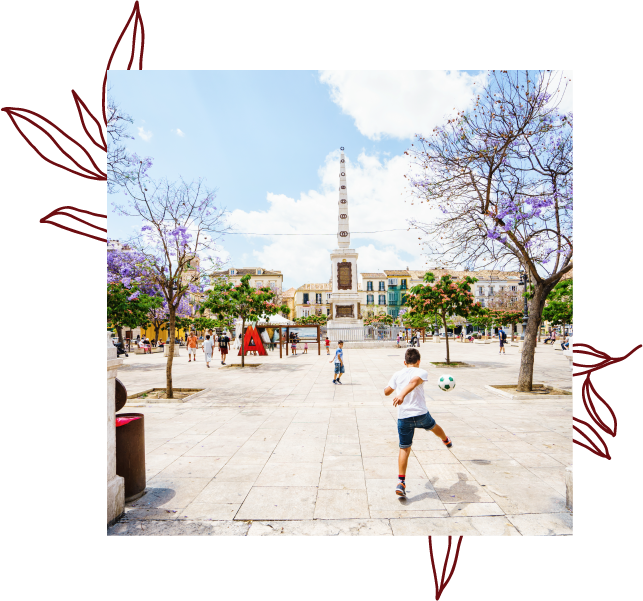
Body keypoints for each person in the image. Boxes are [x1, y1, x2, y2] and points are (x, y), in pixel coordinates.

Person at [384, 348, 452, 498]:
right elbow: (414, 382)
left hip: (404, 417)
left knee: (404, 448)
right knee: (433, 426)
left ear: (404, 362)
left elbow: (388, 391)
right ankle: (446, 440)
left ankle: (401, 482)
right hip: (420, 414)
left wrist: (397, 391)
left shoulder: (397, 374)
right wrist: (398, 392)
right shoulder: (422, 371)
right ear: (418, 362)